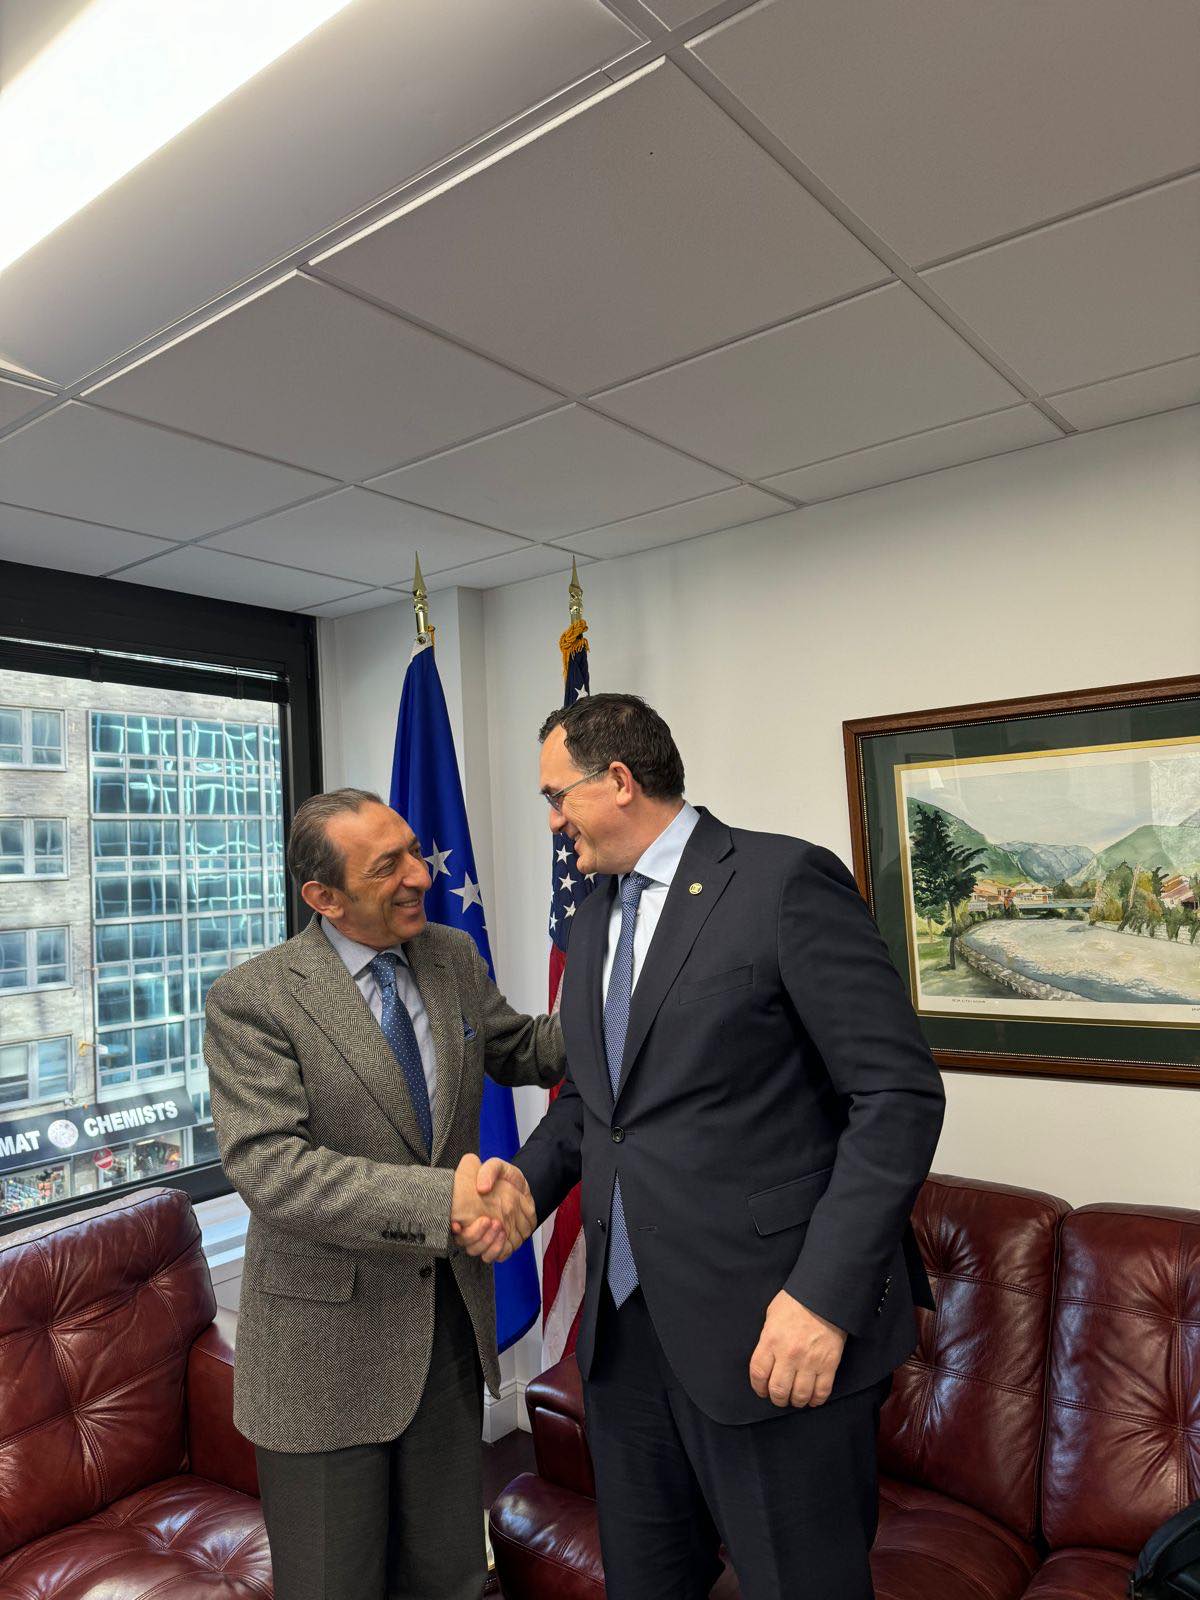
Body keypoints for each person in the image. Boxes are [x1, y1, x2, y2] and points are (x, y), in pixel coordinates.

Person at [491, 694, 945, 1600]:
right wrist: (525, 1189)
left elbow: (896, 1096)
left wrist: (822, 1300)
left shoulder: (781, 882)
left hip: (774, 1330)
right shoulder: (592, 915)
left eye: (556, 796)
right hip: (625, 1342)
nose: (551, 821)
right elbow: (595, 1103)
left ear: (619, 781)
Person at [204, 787, 560, 1600]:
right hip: (322, 1360)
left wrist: (631, 1005)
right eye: (387, 865)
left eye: (414, 851)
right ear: (323, 897)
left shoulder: (449, 955)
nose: (419, 876)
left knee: (450, 1577)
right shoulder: (253, 1000)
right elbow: (272, 1168)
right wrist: (444, 1204)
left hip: (445, 1333)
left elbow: (520, 1048)